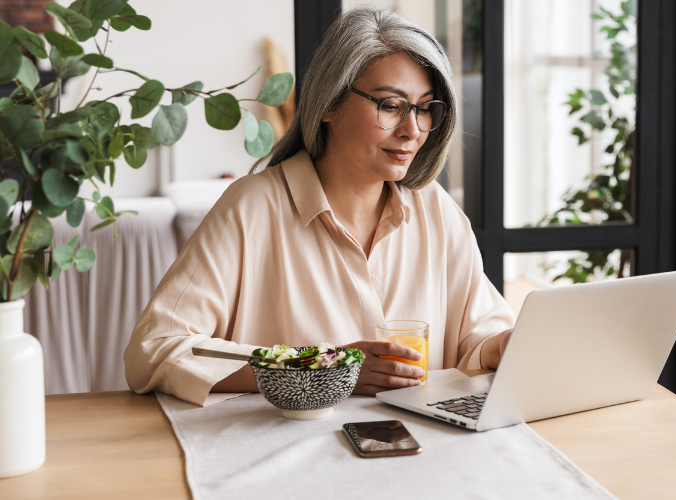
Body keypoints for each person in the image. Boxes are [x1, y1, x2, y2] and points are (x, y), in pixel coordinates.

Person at [123, 6, 515, 406]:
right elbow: (155, 350)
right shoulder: (252, 207)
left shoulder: (437, 211)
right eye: (391, 105)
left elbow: (478, 337)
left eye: (425, 108)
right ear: (330, 103)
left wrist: (501, 346)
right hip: (286, 456)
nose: (412, 130)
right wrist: (321, 369)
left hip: (421, 451)